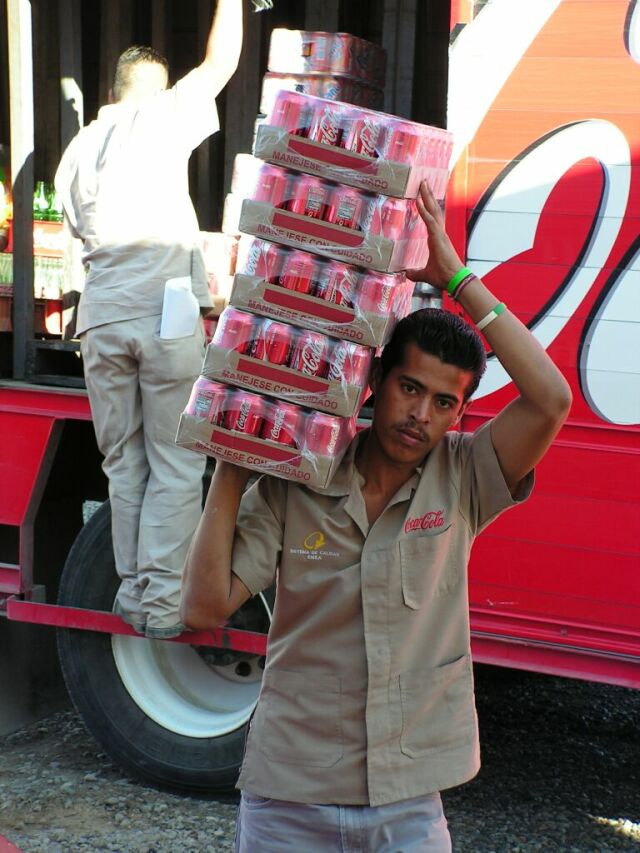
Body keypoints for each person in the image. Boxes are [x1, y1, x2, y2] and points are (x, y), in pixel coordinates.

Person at [180, 181, 573, 851]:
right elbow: (203, 608)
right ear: (375, 382)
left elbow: (551, 398)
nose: (420, 414)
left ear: (460, 413)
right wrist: (234, 463)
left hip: (408, 801)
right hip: (290, 794)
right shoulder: (300, 479)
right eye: (410, 388)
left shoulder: (464, 478)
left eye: (444, 403)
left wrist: (455, 277)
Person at [54, 0, 243, 639]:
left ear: (113, 91)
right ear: (158, 89)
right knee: (175, 462)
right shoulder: (161, 116)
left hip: (101, 317)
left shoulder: (78, 149)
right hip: (165, 312)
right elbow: (220, 62)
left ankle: (133, 596)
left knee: (124, 464)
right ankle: (162, 607)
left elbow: (78, 233)